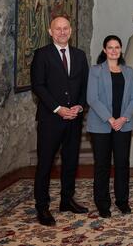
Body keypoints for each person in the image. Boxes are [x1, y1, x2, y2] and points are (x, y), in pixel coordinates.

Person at [30, 16, 89, 226]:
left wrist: (80, 106)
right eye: (58, 29)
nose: (62, 32)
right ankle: (42, 207)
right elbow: (38, 86)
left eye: (65, 28)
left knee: (71, 161)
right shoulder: (42, 55)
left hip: (74, 118)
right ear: (50, 31)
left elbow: (84, 86)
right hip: (50, 119)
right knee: (45, 164)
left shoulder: (80, 56)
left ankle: (66, 200)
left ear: (70, 31)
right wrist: (58, 109)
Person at [87, 35, 133, 218]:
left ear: (121, 49)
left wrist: (123, 118)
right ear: (104, 50)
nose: (114, 50)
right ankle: (102, 203)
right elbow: (92, 98)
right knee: (102, 165)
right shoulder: (95, 71)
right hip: (101, 125)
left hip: (123, 125)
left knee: (122, 164)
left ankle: (122, 201)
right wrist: (110, 119)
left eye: (117, 47)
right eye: (110, 47)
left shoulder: (128, 71)